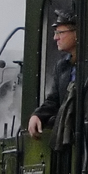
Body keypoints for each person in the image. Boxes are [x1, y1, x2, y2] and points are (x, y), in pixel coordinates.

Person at [28, 11, 78, 140]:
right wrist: (38, 115)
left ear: (76, 33)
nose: (55, 38)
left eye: (60, 33)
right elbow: (53, 100)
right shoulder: (61, 66)